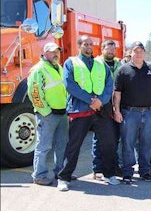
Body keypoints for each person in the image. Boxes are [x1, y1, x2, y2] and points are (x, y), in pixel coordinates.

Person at [57, 35, 119, 191]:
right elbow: (69, 85)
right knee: (73, 145)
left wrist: (101, 101)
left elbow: (109, 85)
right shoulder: (70, 62)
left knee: (108, 143)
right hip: (80, 110)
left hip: (101, 110)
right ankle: (64, 178)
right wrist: (90, 100)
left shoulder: (100, 64)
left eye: (91, 44)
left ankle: (109, 174)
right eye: (85, 44)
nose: (89, 46)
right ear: (79, 46)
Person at [113, 41, 151, 183]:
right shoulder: (123, 70)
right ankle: (127, 172)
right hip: (129, 113)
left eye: (141, 51)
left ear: (144, 53)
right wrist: (117, 110)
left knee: (147, 143)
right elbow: (117, 93)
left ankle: (145, 171)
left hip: (149, 112)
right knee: (128, 143)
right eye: (135, 51)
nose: (138, 53)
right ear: (130, 53)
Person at [27, 42, 69, 186]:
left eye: (57, 51)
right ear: (44, 53)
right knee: (44, 146)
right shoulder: (38, 70)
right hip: (48, 115)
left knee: (62, 145)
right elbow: (34, 93)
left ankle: (61, 172)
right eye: (52, 52)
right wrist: (45, 112)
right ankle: (39, 175)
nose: (56, 54)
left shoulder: (59, 67)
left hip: (62, 113)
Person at [92, 40, 123, 180]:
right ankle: (97, 168)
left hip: (116, 104)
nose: (111, 52)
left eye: (113, 50)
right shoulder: (96, 63)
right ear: (102, 49)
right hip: (101, 104)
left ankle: (114, 166)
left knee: (115, 137)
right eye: (108, 50)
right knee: (99, 138)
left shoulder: (119, 64)